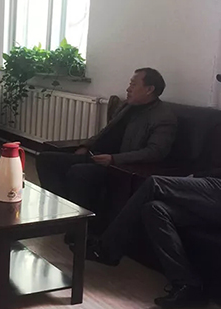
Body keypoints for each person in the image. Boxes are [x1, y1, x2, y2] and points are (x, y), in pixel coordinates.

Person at [88, 69, 221, 309]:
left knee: (155, 183)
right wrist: (191, 179)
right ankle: (188, 286)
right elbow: (203, 163)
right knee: (155, 209)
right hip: (212, 194)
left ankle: (107, 249)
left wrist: (197, 179)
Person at [36, 68, 177, 231]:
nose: (128, 89)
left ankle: (82, 228)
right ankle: (62, 213)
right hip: (97, 156)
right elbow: (105, 131)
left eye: (133, 84)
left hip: (119, 166)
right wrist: (86, 145)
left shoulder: (163, 117)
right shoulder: (127, 106)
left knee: (79, 172)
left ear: (149, 89)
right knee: (45, 159)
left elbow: (155, 152)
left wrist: (114, 159)